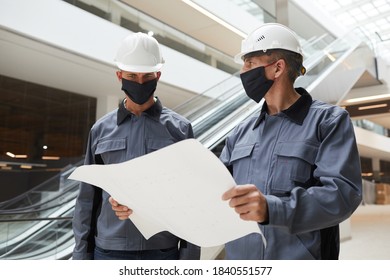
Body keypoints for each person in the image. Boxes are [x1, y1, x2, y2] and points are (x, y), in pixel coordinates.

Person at [220, 23, 362, 260]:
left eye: (250, 63)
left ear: (277, 68)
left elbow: (342, 194)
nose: (243, 71)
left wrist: (272, 209)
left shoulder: (327, 122)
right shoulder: (240, 133)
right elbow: (215, 191)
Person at [72, 32, 200, 260]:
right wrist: (82, 256)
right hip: (110, 251)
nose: (140, 82)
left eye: (147, 75)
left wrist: (189, 259)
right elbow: (87, 199)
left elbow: (190, 197)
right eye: (132, 75)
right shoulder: (100, 130)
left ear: (158, 75)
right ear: (120, 75)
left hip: (162, 250)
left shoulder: (180, 129)